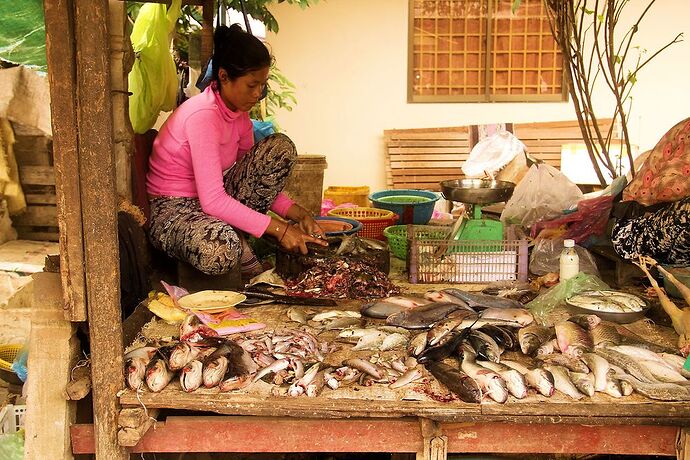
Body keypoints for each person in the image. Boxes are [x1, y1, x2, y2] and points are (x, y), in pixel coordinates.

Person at [146, 24, 326, 279]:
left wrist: (298, 213)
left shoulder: (239, 115)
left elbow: (254, 180)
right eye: (251, 85)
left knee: (279, 149)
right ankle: (239, 247)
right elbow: (213, 200)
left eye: (262, 86)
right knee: (221, 248)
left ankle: (242, 246)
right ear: (223, 76)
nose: (257, 94)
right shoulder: (203, 116)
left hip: (209, 205)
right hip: (174, 212)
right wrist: (280, 230)